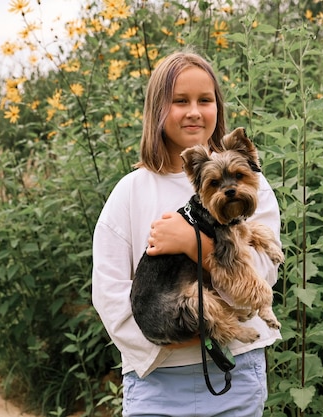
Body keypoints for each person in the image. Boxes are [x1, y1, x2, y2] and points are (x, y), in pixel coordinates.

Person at [91, 49, 282, 416]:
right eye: (180, 101)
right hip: (157, 382)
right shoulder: (131, 192)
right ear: (157, 110)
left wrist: (193, 244)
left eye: (204, 100)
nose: (194, 111)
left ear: (218, 107)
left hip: (236, 372)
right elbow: (109, 290)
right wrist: (163, 344)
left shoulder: (249, 185)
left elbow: (262, 275)